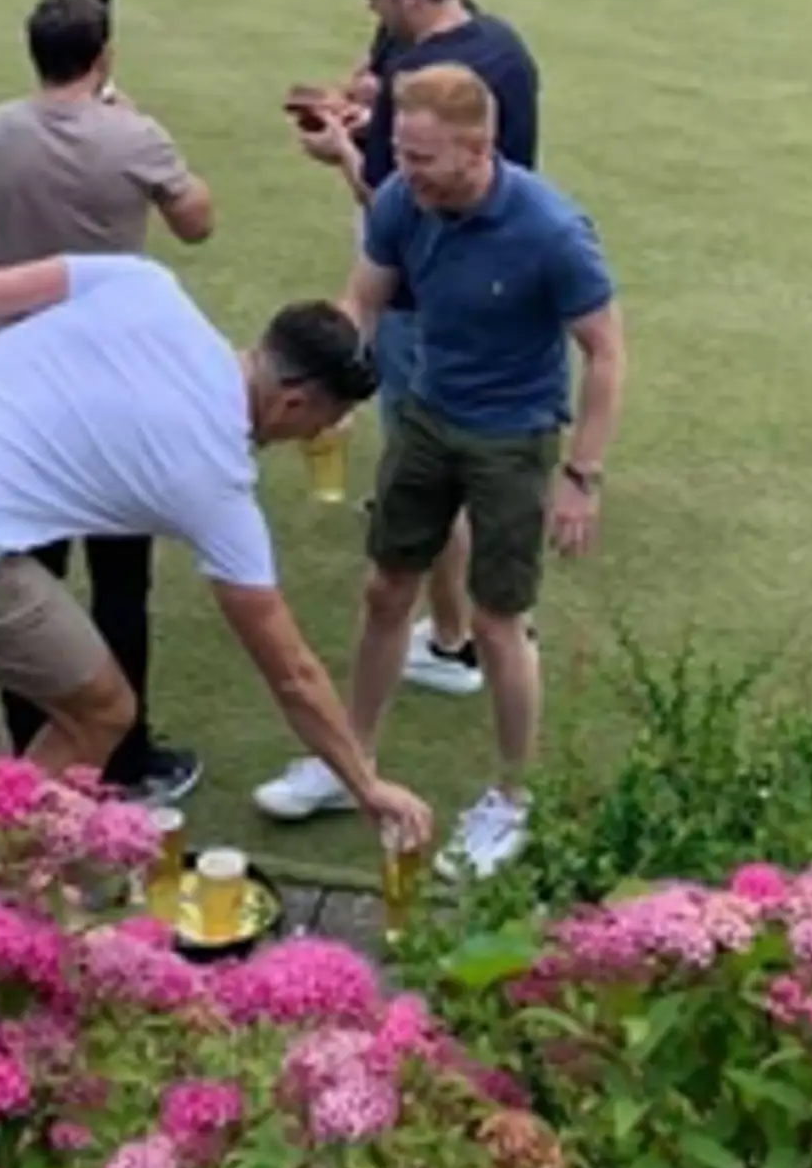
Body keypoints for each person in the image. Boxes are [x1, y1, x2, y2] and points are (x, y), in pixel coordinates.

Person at [0, 255, 437, 861]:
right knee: (102, 711)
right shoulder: (217, 481)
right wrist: (364, 782)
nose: (314, 437)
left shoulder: (148, 285)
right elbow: (291, 671)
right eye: (322, 423)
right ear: (294, 402)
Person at [256, 63, 624, 878]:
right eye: (399, 151)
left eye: (421, 157)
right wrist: (335, 385)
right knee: (386, 590)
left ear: (478, 149)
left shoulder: (552, 231)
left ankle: (509, 799)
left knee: (498, 623)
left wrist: (582, 475)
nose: (403, 170)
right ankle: (349, 759)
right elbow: (364, 301)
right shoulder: (400, 202)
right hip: (425, 416)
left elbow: (604, 352)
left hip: (512, 437)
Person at [0, 0, 215, 806]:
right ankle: (129, 760)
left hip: (15, 389)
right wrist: (139, 129)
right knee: (119, 584)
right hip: (116, 393)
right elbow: (196, 222)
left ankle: (32, 753)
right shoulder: (132, 135)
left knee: (21, 584)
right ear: (102, 55)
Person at [291, 0, 542, 700]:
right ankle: (482, 623)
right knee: (475, 443)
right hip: (497, 275)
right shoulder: (501, 47)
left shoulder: (419, 81)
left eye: (376, 1)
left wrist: (339, 152)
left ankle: (455, 637)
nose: (376, 18)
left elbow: (388, 197)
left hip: (424, 287)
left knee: (431, 454)